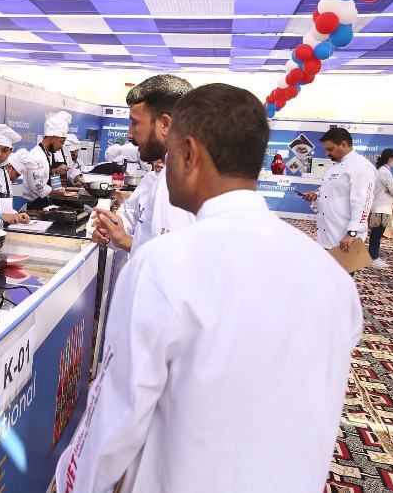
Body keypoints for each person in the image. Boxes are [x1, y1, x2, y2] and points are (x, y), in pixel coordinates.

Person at [57, 84, 363, 493]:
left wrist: (72, 481)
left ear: (188, 153)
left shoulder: (164, 265)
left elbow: (115, 421)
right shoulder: (332, 279)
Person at [92, 75, 194, 254]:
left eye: (135, 123)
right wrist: (114, 231)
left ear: (165, 124)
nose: (130, 135)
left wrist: (125, 242)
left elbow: (172, 261)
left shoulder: (187, 185)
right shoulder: (160, 177)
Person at [300, 127, 376, 252]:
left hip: (345, 239)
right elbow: (328, 189)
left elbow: (363, 203)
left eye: (330, 149)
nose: (327, 153)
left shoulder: (361, 167)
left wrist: (352, 233)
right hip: (326, 235)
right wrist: (315, 195)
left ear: (344, 144)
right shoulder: (335, 166)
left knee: (344, 272)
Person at [23, 111, 71, 210]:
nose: (61, 147)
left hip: (46, 202)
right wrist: (58, 192)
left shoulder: (48, 153)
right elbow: (37, 186)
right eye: (61, 142)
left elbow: (47, 175)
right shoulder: (36, 155)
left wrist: (58, 186)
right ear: (53, 137)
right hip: (36, 205)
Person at [368, 148, 393, 267]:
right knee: (377, 234)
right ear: (390, 158)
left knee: (376, 233)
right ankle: (373, 258)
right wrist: (391, 190)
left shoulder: (381, 170)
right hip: (382, 208)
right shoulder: (385, 172)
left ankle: (373, 256)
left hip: (380, 207)